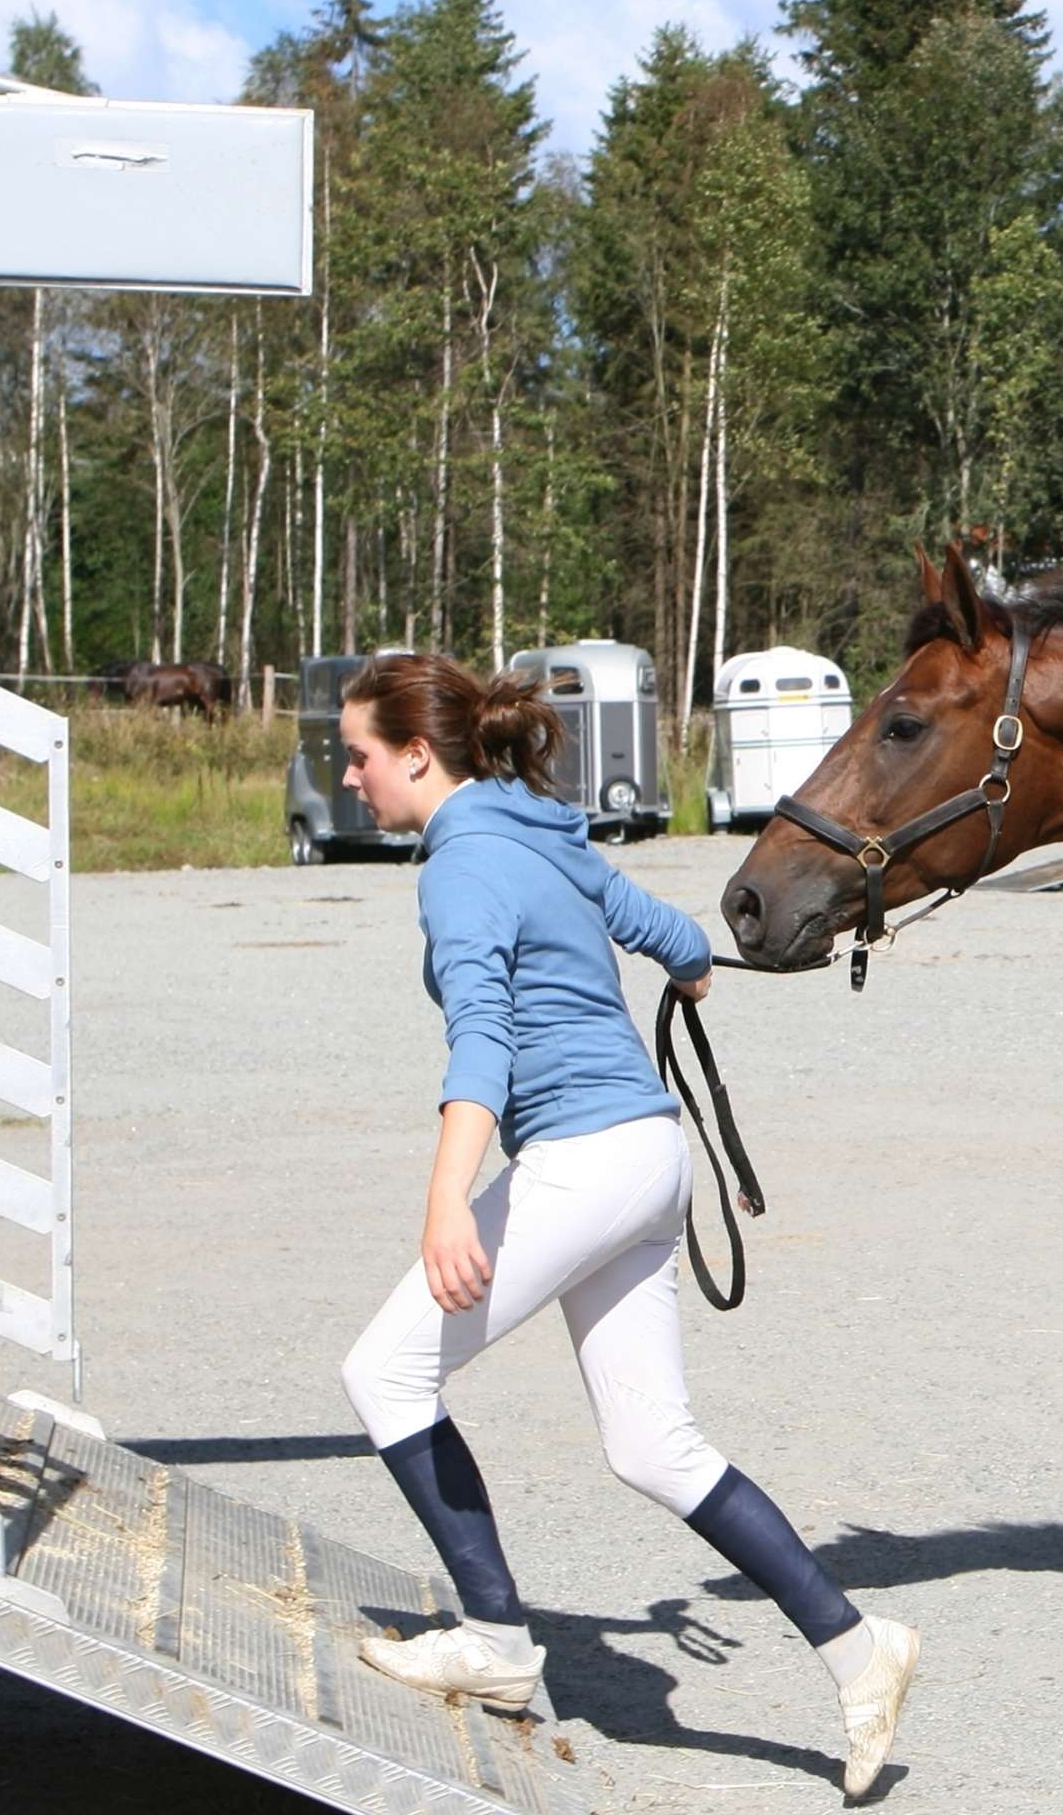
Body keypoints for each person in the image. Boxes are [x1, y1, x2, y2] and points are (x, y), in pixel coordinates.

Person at [329, 654, 917, 1802]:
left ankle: (494, 1639)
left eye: (357, 753)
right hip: (650, 1157)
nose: (347, 775)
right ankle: (859, 1647)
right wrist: (693, 971)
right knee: (656, 1447)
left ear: (415, 751)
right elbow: (667, 931)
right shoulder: (542, 830)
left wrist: (449, 1196)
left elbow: (483, 1043)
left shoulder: (459, 864)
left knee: (386, 1373)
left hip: (584, 1160)